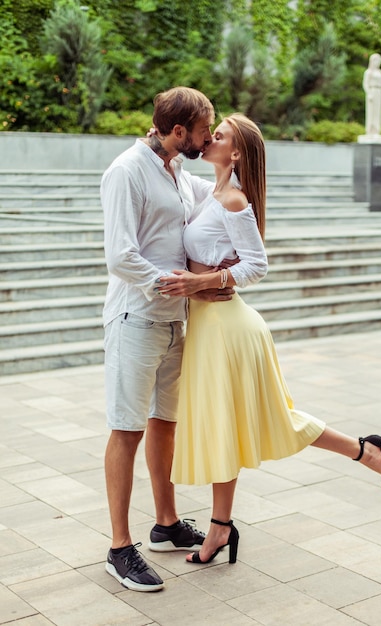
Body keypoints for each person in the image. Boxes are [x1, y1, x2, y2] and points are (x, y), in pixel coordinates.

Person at [156, 113, 381, 565]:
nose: (211, 137)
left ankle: (364, 452)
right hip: (210, 329)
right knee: (229, 428)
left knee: (263, 422)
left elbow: (258, 265)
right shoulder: (210, 191)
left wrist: (200, 282)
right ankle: (222, 527)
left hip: (229, 329)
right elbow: (172, 162)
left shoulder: (233, 199)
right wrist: (159, 136)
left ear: (235, 153)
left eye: (222, 134)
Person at [100, 86, 235, 592]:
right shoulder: (126, 172)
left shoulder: (179, 172)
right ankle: (118, 548)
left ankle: (166, 524)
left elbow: (224, 191)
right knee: (126, 429)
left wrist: (234, 153)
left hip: (175, 322)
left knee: (164, 425)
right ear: (178, 131)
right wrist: (171, 282)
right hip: (135, 319)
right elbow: (120, 256)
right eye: (205, 129)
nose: (208, 135)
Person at [363, 53, 381, 136]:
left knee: (377, 112)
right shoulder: (368, 72)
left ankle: (377, 129)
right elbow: (365, 84)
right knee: (371, 112)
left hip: (379, 92)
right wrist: (369, 93)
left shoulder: (380, 72)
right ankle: (370, 129)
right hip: (372, 91)